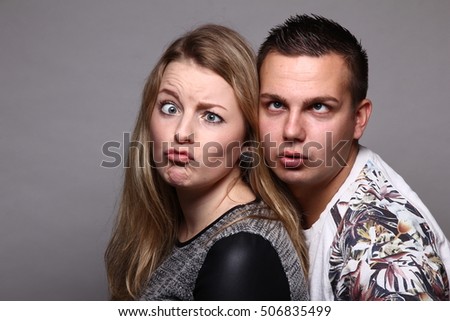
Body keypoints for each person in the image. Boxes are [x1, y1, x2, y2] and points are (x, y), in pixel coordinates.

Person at [105, 24, 309, 301]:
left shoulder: (242, 255)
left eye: (211, 116)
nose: (181, 132)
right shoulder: (172, 230)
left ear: (248, 139)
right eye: (170, 107)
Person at [257, 14, 450, 300]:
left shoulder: (382, 248)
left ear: (358, 119)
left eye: (319, 107)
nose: (291, 130)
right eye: (275, 104)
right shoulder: (259, 177)